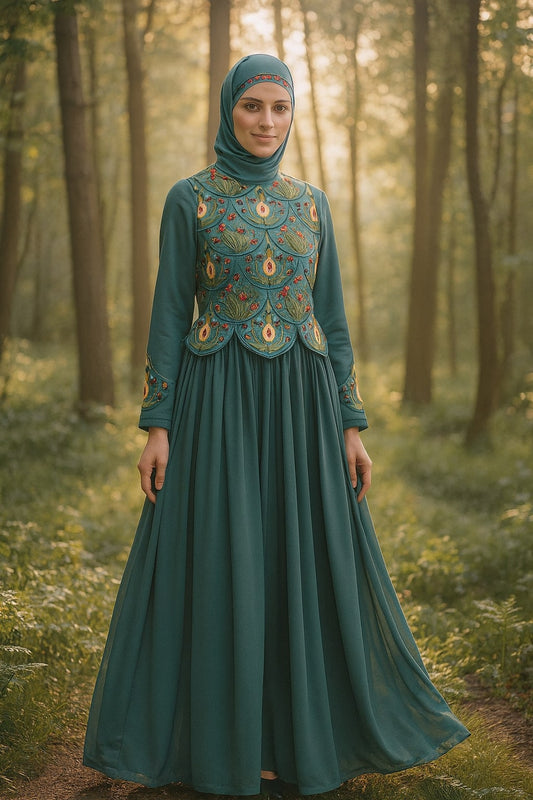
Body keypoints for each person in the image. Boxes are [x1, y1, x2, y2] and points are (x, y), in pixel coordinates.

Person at [83, 53, 469, 796]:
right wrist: (157, 425)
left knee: (299, 559)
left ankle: (297, 738)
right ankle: (219, 743)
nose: (266, 121)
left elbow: (333, 319)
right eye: (252, 106)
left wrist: (351, 424)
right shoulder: (189, 200)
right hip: (215, 403)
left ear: (293, 114)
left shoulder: (312, 204)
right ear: (228, 110)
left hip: (303, 406)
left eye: (280, 107)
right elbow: (169, 313)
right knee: (222, 557)